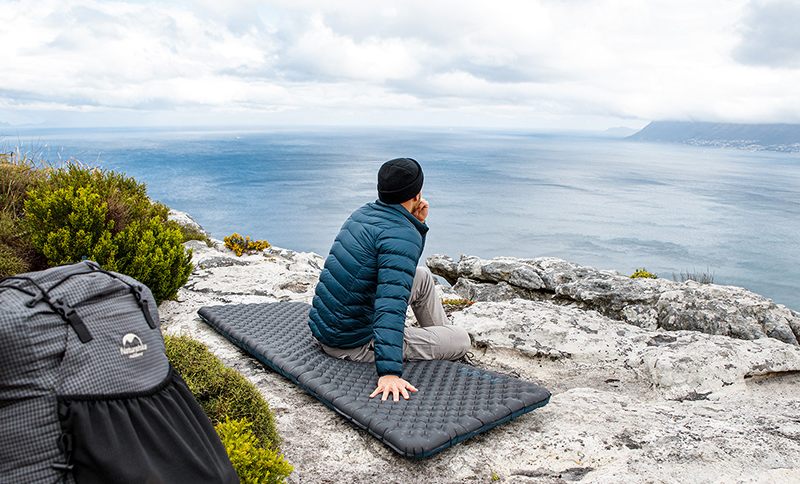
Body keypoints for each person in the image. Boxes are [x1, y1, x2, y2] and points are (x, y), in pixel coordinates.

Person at [307, 157, 471, 402]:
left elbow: (399, 267)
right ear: (416, 194)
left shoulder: (362, 213)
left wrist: (417, 224)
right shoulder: (401, 233)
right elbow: (390, 304)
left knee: (422, 276)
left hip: (333, 326)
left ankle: (438, 340)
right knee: (461, 339)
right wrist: (389, 373)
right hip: (353, 343)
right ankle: (444, 344)